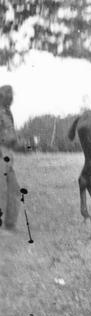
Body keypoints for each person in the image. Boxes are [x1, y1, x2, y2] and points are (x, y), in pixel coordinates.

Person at [0, 84, 20, 232]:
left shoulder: (8, 112)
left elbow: (11, 136)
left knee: (14, 189)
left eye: (12, 96)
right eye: (9, 95)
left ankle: (9, 224)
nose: (11, 98)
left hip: (8, 153)